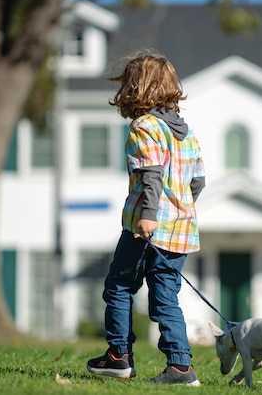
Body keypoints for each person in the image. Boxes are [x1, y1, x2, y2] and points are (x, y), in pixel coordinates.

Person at [86, 51, 205, 386]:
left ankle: (118, 357)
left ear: (136, 89)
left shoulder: (145, 126)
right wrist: (180, 210)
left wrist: (151, 215)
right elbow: (198, 182)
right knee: (166, 296)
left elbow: (151, 174)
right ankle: (181, 368)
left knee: (119, 286)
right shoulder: (186, 133)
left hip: (145, 227)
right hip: (181, 231)